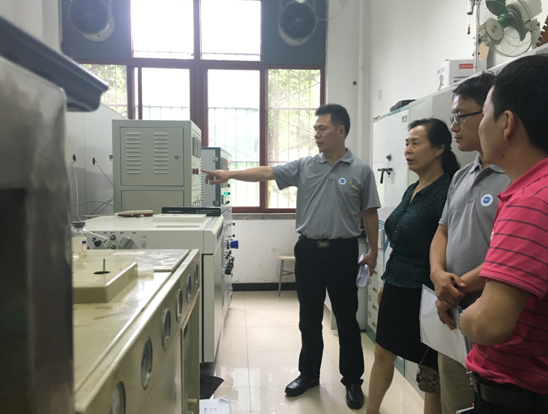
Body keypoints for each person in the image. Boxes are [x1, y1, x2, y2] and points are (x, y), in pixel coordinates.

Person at [203, 103, 380, 410]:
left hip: (343, 252)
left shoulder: (361, 170)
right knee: (308, 318)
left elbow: (369, 212)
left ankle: (352, 381)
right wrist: (228, 174)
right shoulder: (305, 166)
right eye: (315, 129)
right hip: (308, 251)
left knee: (347, 320)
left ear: (340, 131)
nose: (316, 134)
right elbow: (267, 171)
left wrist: (374, 251)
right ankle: (309, 374)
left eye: (322, 128)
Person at [459, 55, 548, 414]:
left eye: (485, 114)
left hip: (518, 396)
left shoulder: (530, 200)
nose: (481, 126)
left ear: (506, 123)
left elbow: (488, 324)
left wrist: (463, 314)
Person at [429, 73, 511, 414]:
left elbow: (510, 255)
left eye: (462, 116)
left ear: (495, 114)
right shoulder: (462, 176)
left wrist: (455, 286)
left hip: (495, 310)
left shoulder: (517, 177)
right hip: (451, 309)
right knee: (454, 399)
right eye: (453, 117)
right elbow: (443, 231)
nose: (454, 126)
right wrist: (438, 275)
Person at [365, 118, 459, 414]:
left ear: (439, 148)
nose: (407, 150)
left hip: (428, 293)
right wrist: (387, 282)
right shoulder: (412, 188)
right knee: (383, 353)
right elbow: (399, 241)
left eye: (415, 143)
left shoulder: (448, 191)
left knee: (431, 370)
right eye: (406, 143)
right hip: (397, 285)